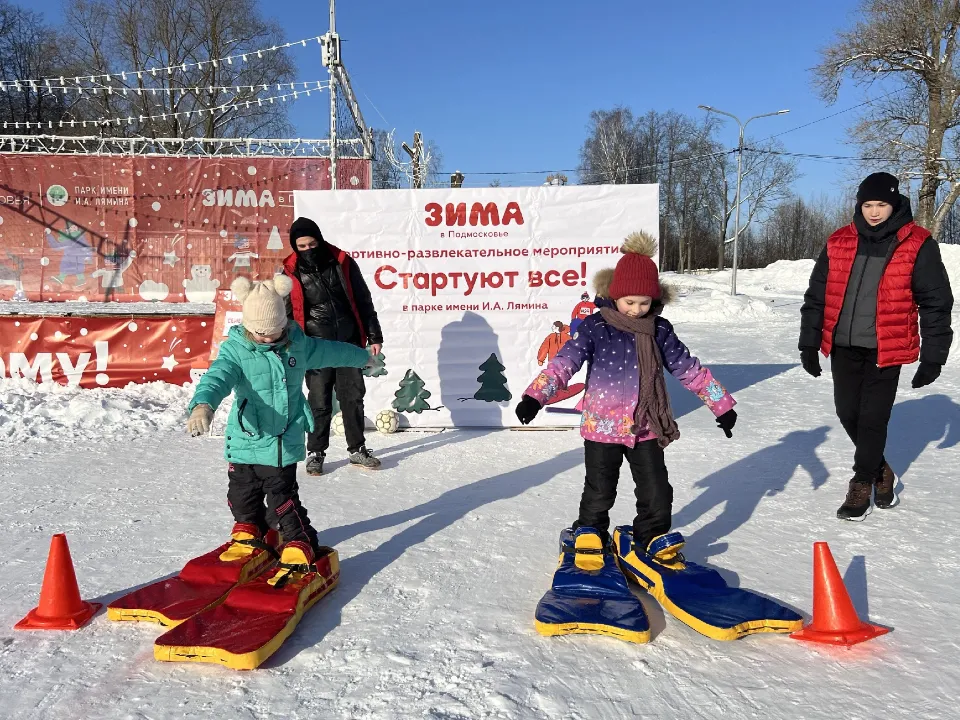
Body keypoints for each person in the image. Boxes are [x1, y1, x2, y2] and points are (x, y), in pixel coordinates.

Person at [515, 231, 738, 555]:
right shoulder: (595, 327)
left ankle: (652, 536)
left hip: (646, 426)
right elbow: (564, 363)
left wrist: (721, 405)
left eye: (644, 302)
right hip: (602, 426)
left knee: (656, 489)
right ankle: (590, 530)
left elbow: (689, 369)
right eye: (629, 302)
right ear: (615, 295)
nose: (635, 309)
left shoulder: (660, 330)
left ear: (654, 300)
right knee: (600, 488)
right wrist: (535, 396)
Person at [186, 275, 371, 568]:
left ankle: (299, 540)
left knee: (282, 501)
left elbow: (332, 351)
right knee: (240, 495)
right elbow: (217, 377)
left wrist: (362, 357)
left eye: (275, 331)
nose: (269, 338)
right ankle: (249, 532)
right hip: (246, 438)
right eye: (261, 333)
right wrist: (202, 405)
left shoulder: (297, 346)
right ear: (248, 326)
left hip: (283, 441)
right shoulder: (235, 351)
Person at [799, 172, 954, 520]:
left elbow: (936, 302)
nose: (873, 212)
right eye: (867, 204)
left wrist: (934, 356)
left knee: (872, 417)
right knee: (847, 412)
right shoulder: (839, 241)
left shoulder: (917, 243)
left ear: (895, 203)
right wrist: (809, 343)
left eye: (881, 204)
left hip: (887, 346)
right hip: (843, 344)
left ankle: (862, 480)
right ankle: (881, 469)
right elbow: (817, 296)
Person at [283, 217, 384, 475]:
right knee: (318, 399)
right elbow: (284, 313)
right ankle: (315, 452)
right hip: (314, 346)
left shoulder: (343, 263)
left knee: (352, 397)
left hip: (348, 343)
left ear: (320, 239)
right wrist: (286, 344)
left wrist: (374, 335)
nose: (307, 249)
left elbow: (363, 299)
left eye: (312, 243)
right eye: (301, 246)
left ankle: (357, 449)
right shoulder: (289, 273)